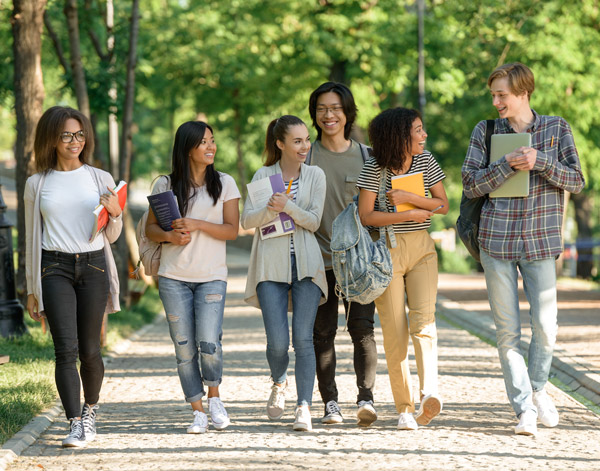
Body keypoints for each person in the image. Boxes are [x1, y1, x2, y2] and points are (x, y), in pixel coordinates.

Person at [462, 62, 585, 436]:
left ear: (523, 92)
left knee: (546, 328)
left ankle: (537, 389)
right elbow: (469, 185)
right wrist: (505, 166)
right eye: (494, 95)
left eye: (502, 95)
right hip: (496, 242)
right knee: (507, 333)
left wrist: (540, 161)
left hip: (540, 242)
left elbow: (577, 181)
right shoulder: (485, 131)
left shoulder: (556, 128)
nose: (496, 101)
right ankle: (524, 409)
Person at [25, 106, 123, 447]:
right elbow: (31, 238)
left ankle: (91, 411)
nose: (74, 141)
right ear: (51, 139)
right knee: (64, 349)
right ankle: (74, 423)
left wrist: (114, 214)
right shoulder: (36, 184)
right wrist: (31, 288)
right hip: (54, 267)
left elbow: (112, 236)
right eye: (66, 135)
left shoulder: (100, 178)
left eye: (79, 134)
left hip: (94, 265)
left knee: (90, 350)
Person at [357, 107, 448, 431]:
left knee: (424, 324)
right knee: (395, 333)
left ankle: (428, 393)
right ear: (399, 136)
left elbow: (442, 204)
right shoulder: (374, 169)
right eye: (418, 130)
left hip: (422, 250)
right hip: (387, 255)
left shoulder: (426, 161)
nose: (424, 136)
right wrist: (404, 215)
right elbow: (366, 215)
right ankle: (405, 407)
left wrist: (411, 198)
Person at [146, 121, 240, 434]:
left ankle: (215, 397)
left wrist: (198, 224)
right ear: (187, 148)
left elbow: (231, 230)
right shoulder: (165, 185)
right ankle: (197, 409)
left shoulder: (225, 183)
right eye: (203, 142)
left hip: (212, 276)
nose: (211, 147)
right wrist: (171, 237)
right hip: (173, 277)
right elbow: (150, 230)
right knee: (184, 347)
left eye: (212, 140)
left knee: (209, 341)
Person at [241, 115, 327, 432]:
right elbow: (248, 221)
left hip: (307, 265)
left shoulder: (315, 175)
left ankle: (304, 406)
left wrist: (288, 206)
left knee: (303, 339)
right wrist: (270, 210)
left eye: (306, 140)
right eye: (297, 141)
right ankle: (279, 381)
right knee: (278, 343)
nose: (305, 146)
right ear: (280, 144)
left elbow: (315, 221)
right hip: (270, 266)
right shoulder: (264, 175)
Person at [307, 81, 378, 426]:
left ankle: (366, 398)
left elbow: (379, 207)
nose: (328, 115)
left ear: (347, 112)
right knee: (322, 334)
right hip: (317, 261)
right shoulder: (305, 156)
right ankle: (330, 402)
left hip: (358, 265)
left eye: (335, 108)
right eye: (322, 109)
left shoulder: (367, 156)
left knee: (362, 330)